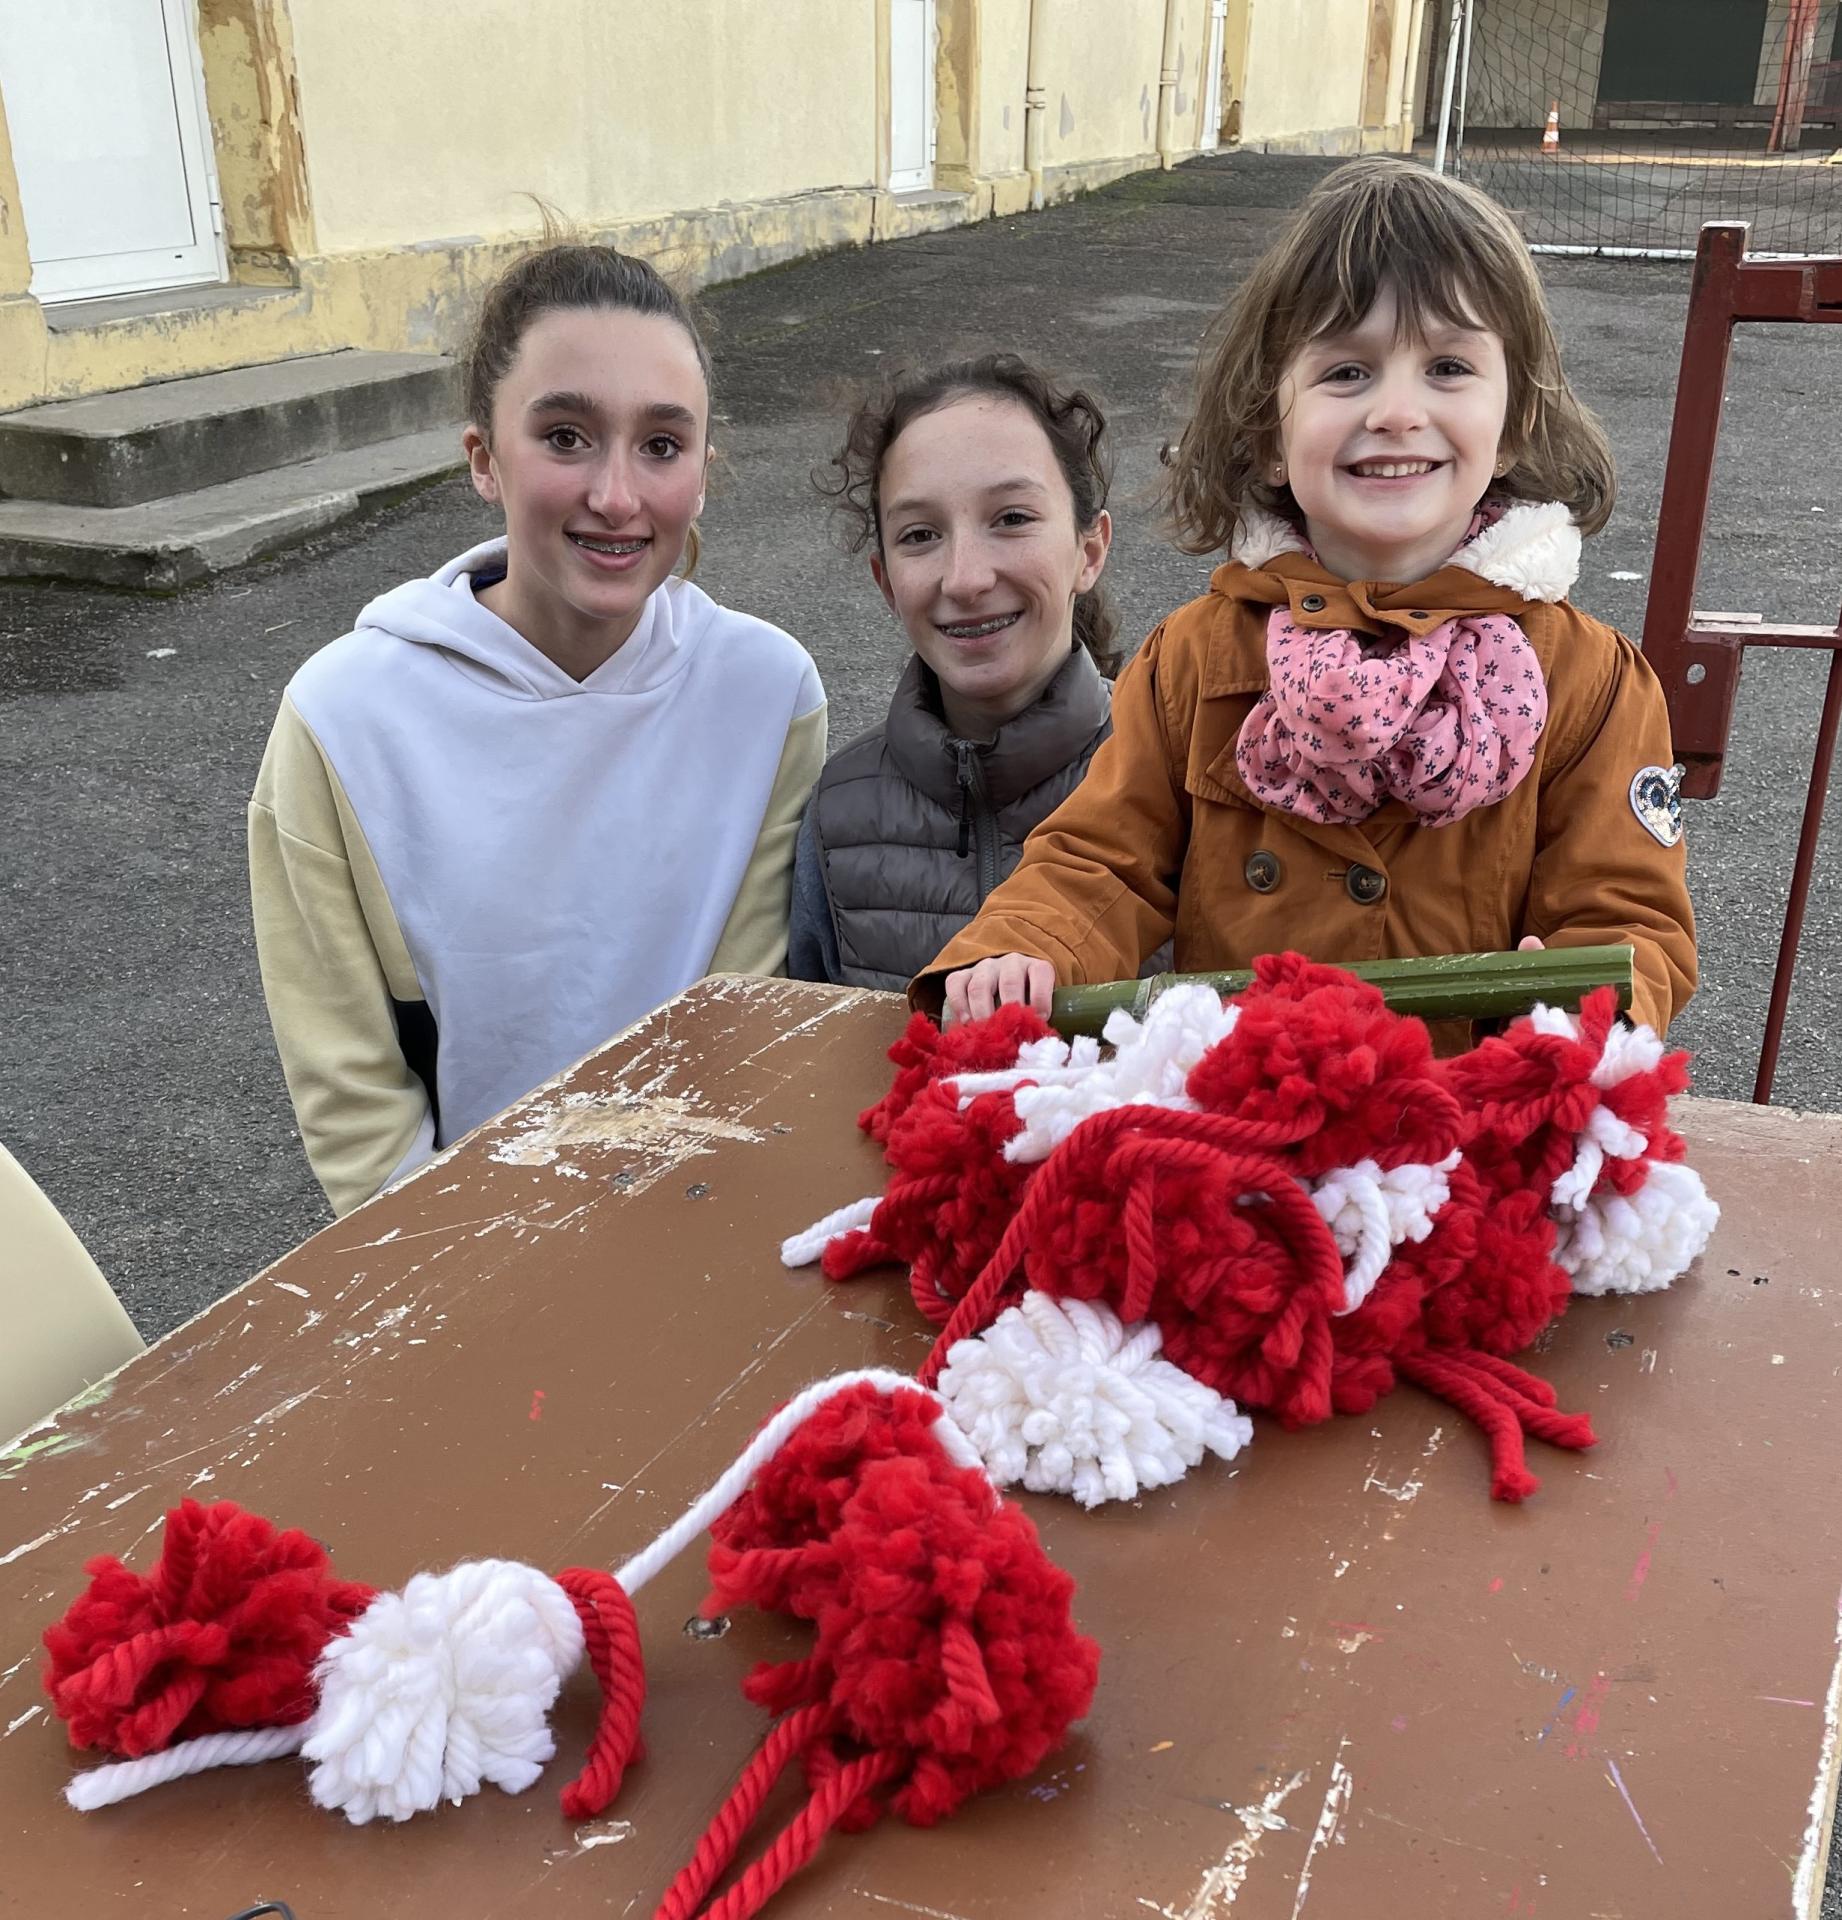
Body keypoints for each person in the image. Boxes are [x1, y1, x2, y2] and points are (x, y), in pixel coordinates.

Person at [922, 156, 1695, 1039]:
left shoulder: (1589, 682)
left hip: (1465, 1125)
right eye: (1346, 373)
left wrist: (1583, 1009)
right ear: (1267, 435)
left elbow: (1629, 913)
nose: (1398, 411)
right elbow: (1100, 860)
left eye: (1447, 366)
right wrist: (1024, 944)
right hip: (1249, 1111)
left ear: (1514, 422)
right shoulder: (1196, 659)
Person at [249, 243, 825, 1216]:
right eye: (565, 437)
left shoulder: (767, 693)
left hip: (697, 1217)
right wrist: (475, 1287)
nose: (616, 495)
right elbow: (359, 1110)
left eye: (661, 444)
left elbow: (743, 1026)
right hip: (460, 1253)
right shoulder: (342, 722)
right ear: (484, 458)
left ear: (703, 466)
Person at [788, 353, 1125, 990]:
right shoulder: (836, 816)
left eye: (1013, 518)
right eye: (920, 535)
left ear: (1089, 550)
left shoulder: (1176, 788)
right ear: (886, 582)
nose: (966, 578)